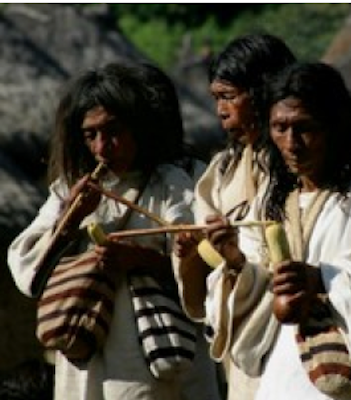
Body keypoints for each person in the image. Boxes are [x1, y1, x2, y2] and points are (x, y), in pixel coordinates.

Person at [184, 61, 351, 400]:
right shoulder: (274, 202)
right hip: (287, 369)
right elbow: (256, 284)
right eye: (279, 128)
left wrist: (321, 278)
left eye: (304, 128)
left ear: (334, 128)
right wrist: (236, 261)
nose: (291, 143)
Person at [7, 62, 221, 400]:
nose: (103, 147)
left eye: (113, 131)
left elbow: (207, 267)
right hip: (87, 366)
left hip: (160, 360)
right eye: (91, 135)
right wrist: (70, 219)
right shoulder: (68, 191)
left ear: (137, 128)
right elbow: (25, 266)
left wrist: (140, 259)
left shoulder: (172, 182)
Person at [172, 32, 296, 400]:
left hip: (295, 330)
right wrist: (193, 251)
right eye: (216, 99)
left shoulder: (301, 167)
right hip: (245, 342)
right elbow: (209, 274)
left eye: (229, 97)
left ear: (262, 92)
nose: (220, 110)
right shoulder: (221, 173)